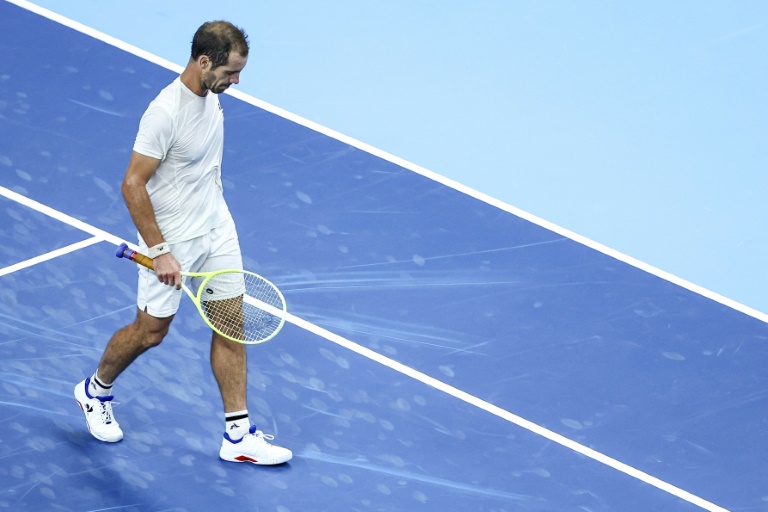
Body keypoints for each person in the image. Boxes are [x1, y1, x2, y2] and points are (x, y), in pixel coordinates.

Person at [74, 21, 292, 465]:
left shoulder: (211, 98)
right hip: (171, 239)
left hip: (216, 229)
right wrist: (159, 250)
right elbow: (132, 184)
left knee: (231, 324)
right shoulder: (164, 113)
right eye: (231, 72)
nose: (237, 81)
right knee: (150, 333)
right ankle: (94, 391)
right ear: (204, 61)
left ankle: (237, 436)